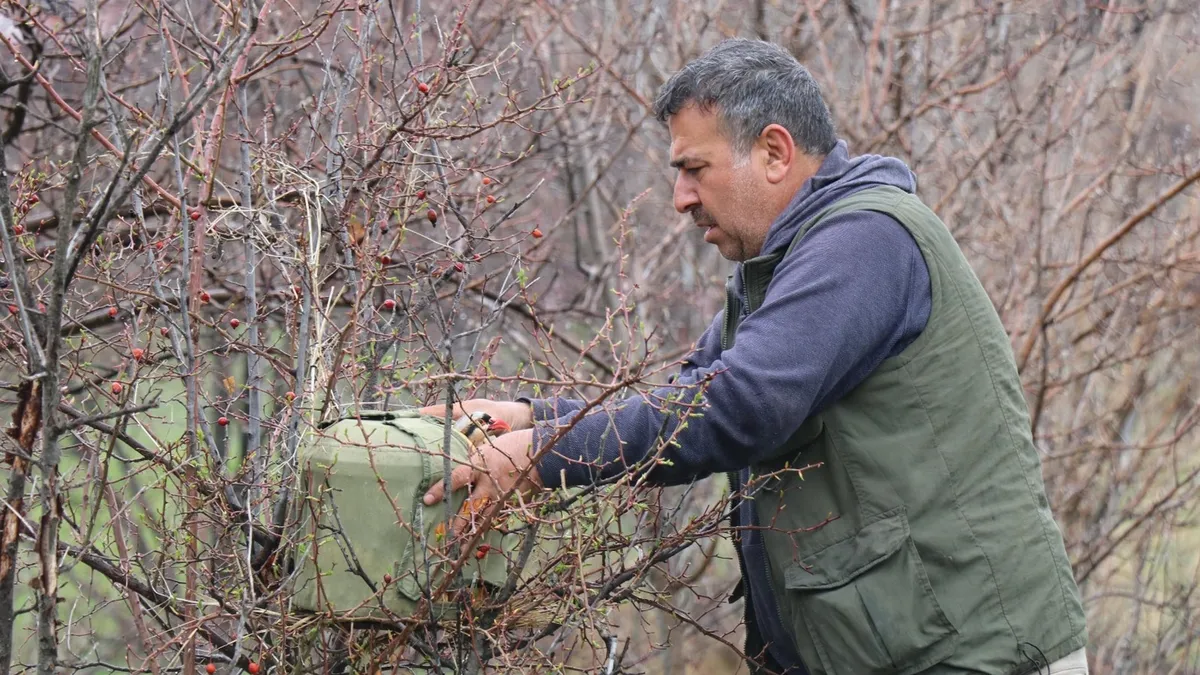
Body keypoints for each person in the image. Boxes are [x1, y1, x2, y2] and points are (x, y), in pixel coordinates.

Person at [422, 39, 1088, 675]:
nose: (681, 197)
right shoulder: (780, 266)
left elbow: (739, 406)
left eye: (694, 169)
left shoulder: (864, 242)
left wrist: (546, 455)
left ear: (774, 152)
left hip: (974, 655)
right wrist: (533, 418)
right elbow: (689, 393)